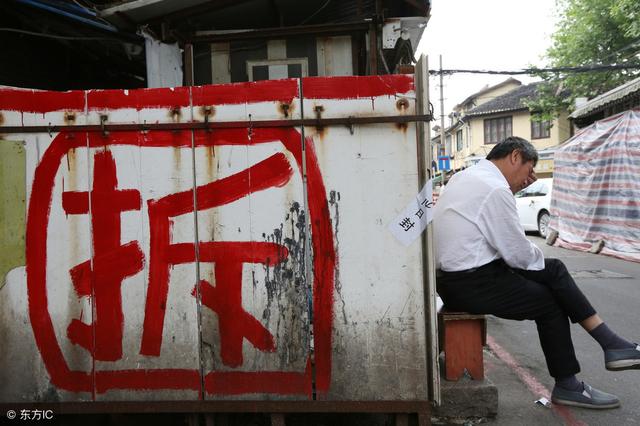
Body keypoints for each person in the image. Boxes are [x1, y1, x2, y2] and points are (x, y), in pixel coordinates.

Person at [433, 136, 640, 409]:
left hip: (451, 279)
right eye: (529, 169)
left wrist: (512, 190)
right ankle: (583, 370)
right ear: (515, 156)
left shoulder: (466, 178)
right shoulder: (494, 188)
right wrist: (546, 268)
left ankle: (606, 349)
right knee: (551, 293)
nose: (529, 178)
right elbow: (517, 254)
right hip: (470, 282)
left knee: (552, 274)